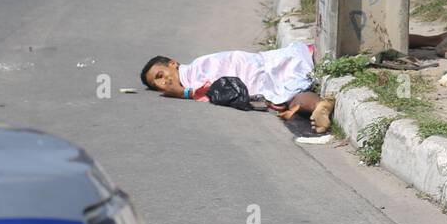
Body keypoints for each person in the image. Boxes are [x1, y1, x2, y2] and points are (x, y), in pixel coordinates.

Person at [139, 41, 334, 132]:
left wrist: (184, 93)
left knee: (287, 93)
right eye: (156, 84)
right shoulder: (192, 72)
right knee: (290, 94)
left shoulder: (192, 71)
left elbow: (217, 87)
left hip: (257, 71)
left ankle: (318, 106)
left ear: (173, 63)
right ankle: (319, 106)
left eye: (160, 75)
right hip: (262, 69)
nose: (162, 83)